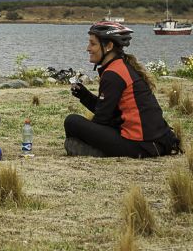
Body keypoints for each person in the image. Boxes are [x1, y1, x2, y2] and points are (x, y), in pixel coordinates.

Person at [64, 21, 181, 158]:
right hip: (156, 143)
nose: (88, 48)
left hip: (140, 146)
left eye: (93, 43)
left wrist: (86, 135)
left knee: (72, 121)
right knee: (78, 131)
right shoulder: (122, 67)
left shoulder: (113, 74)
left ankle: (94, 151)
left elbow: (102, 120)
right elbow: (110, 112)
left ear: (108, 46)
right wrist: (84, 96)